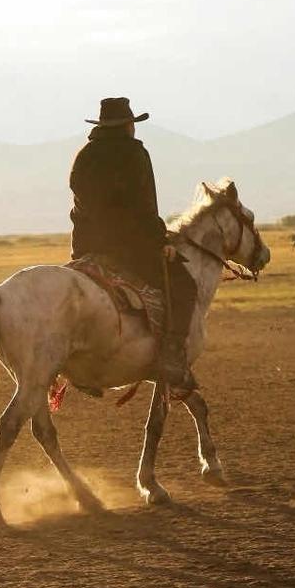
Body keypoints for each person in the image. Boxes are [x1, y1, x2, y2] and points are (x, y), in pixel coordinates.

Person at [69, 97, 197, 390]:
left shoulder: (84, 156)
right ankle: (172, 355)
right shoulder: (134, 154)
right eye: (132, 124)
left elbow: (81, 206)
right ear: (128, 126)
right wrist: (159, 242)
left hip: (85, 248)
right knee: (183, 285)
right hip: (128, 249)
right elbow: (143, 207)